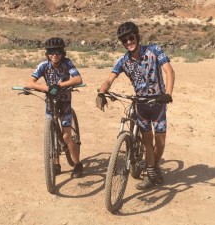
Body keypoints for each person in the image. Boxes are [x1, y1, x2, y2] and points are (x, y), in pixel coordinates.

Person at [96, 22, 175, 189]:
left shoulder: (154, 50)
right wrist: (101, 92)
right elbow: (109, 79)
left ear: (137, 37)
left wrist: (168, 94)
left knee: (159, 142)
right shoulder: (123, 60)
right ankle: (150, 171)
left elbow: (169, 71)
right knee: (147, 142)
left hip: (158, 103)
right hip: (141, 105)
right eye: (124, 41)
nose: (128, 42)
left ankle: (153, 166)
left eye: (131, 38)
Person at [27, 37, 84, 178]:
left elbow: (78, 79)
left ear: (62, 53)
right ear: (47, 53)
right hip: (50, 102)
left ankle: (77, 164)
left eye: (58, 52)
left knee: (66, 136)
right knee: (52, 133)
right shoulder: (43, 65)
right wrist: (47, 88)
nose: (54, 55)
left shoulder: (67, 63)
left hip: (65, 102)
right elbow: (30, 82)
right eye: (51, 52)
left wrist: (59, 86)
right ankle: (56, 163)